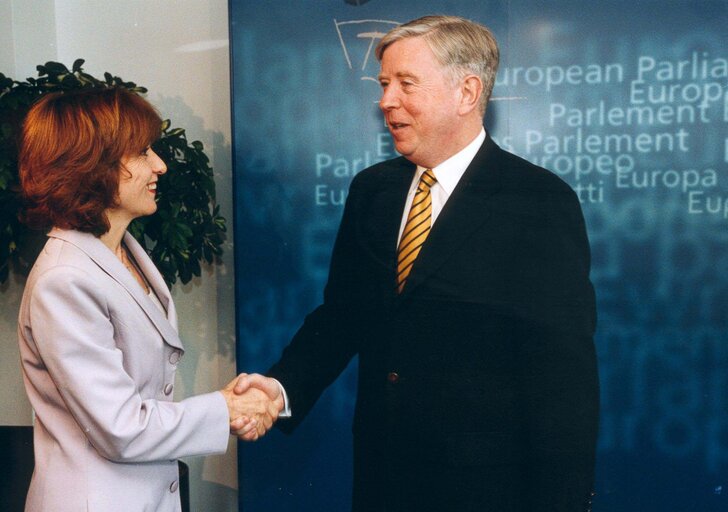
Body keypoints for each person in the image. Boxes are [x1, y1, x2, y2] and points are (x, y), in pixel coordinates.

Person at [236, 14, 599, 512]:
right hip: (383, 480)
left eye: (406, 83)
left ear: (467, 93)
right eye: (385, 84)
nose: (386, 101)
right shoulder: (373, 191)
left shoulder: (537, 202)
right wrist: (279, 389)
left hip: (487, 492)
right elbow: (343, 316)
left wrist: (563, 501)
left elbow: (562, 381)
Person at [16, 88, 281, 512]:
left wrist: (224, 406)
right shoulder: (64, 280)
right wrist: (224, 409)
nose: (159, 164)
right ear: (91, 166)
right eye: (141, 152)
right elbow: (121, 427)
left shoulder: (123, 251)